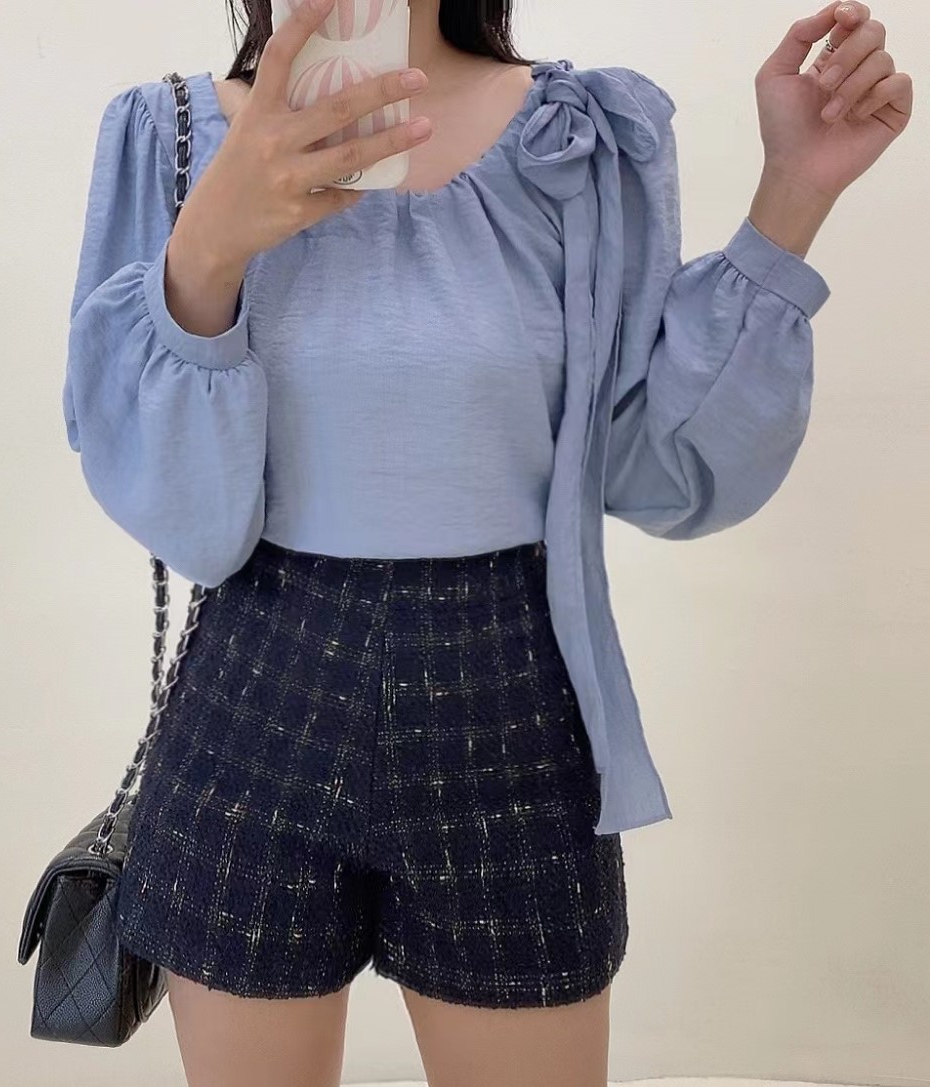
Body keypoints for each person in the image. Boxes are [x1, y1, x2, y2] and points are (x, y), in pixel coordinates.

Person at [60, 0, 911, 1083]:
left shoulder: (578, 139)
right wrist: (214, 239)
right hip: (252, 708)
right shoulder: (172, 137)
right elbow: (183, 518)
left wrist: (794, 193)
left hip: (511, 712)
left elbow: (658, 470)